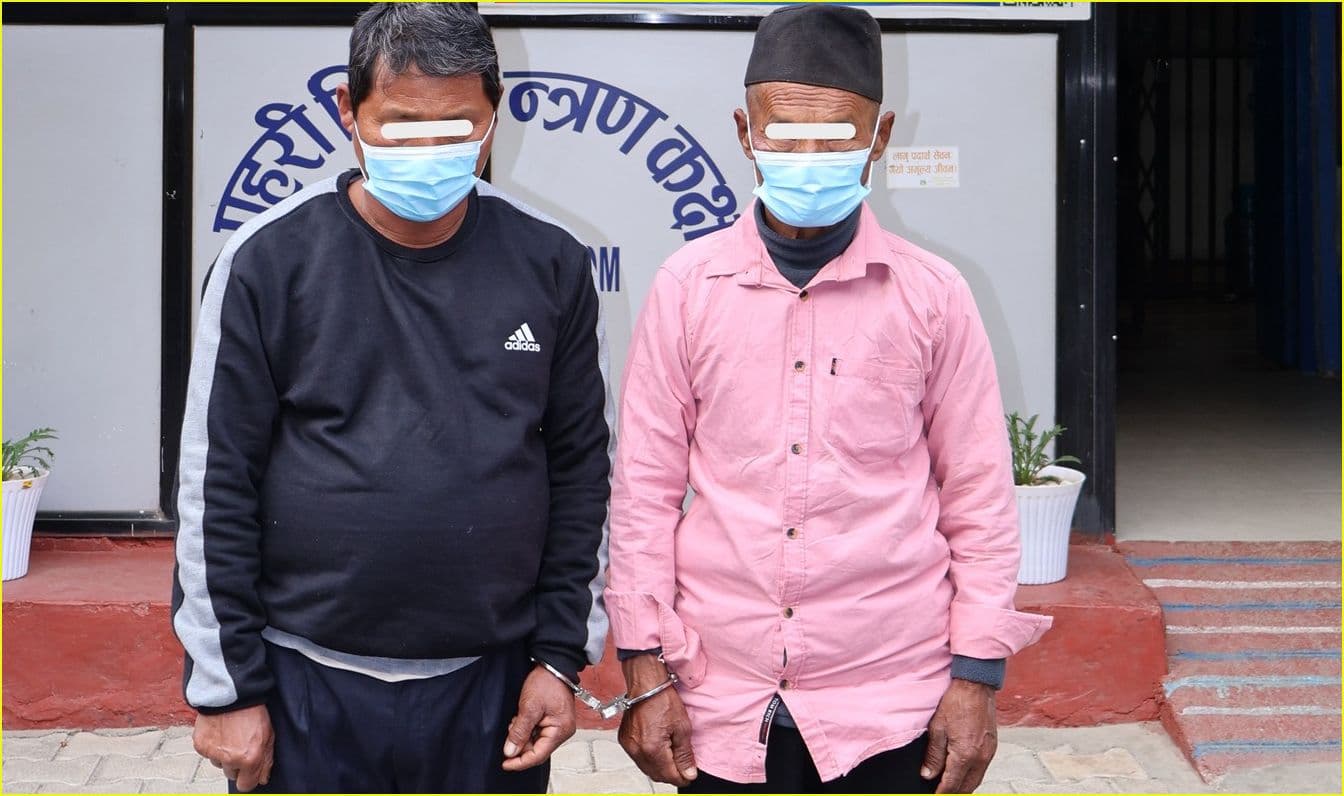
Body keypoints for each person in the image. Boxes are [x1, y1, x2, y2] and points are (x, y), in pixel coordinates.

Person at [604, 4, 1051, 793]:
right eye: (783, 134)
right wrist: (643, 664)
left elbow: (979, 498)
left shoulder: (934, 296)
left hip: (892, 705)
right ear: (745, 132)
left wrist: (977, 677)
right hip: (721, 698)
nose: (808, 159)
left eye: (838, 136)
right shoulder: (687, 289)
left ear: (880, 138)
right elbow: (643, 492)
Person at [171, 4, 613, 792]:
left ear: (494, 116)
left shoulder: (551, 264)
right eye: (403, 127)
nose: (430, 152)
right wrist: (228, 690)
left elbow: (584, 472)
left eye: (457, 128)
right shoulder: (266, 263)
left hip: (492, 688)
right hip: (304, 682)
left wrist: (559, 659)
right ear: (349, 110)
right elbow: (216, 483)